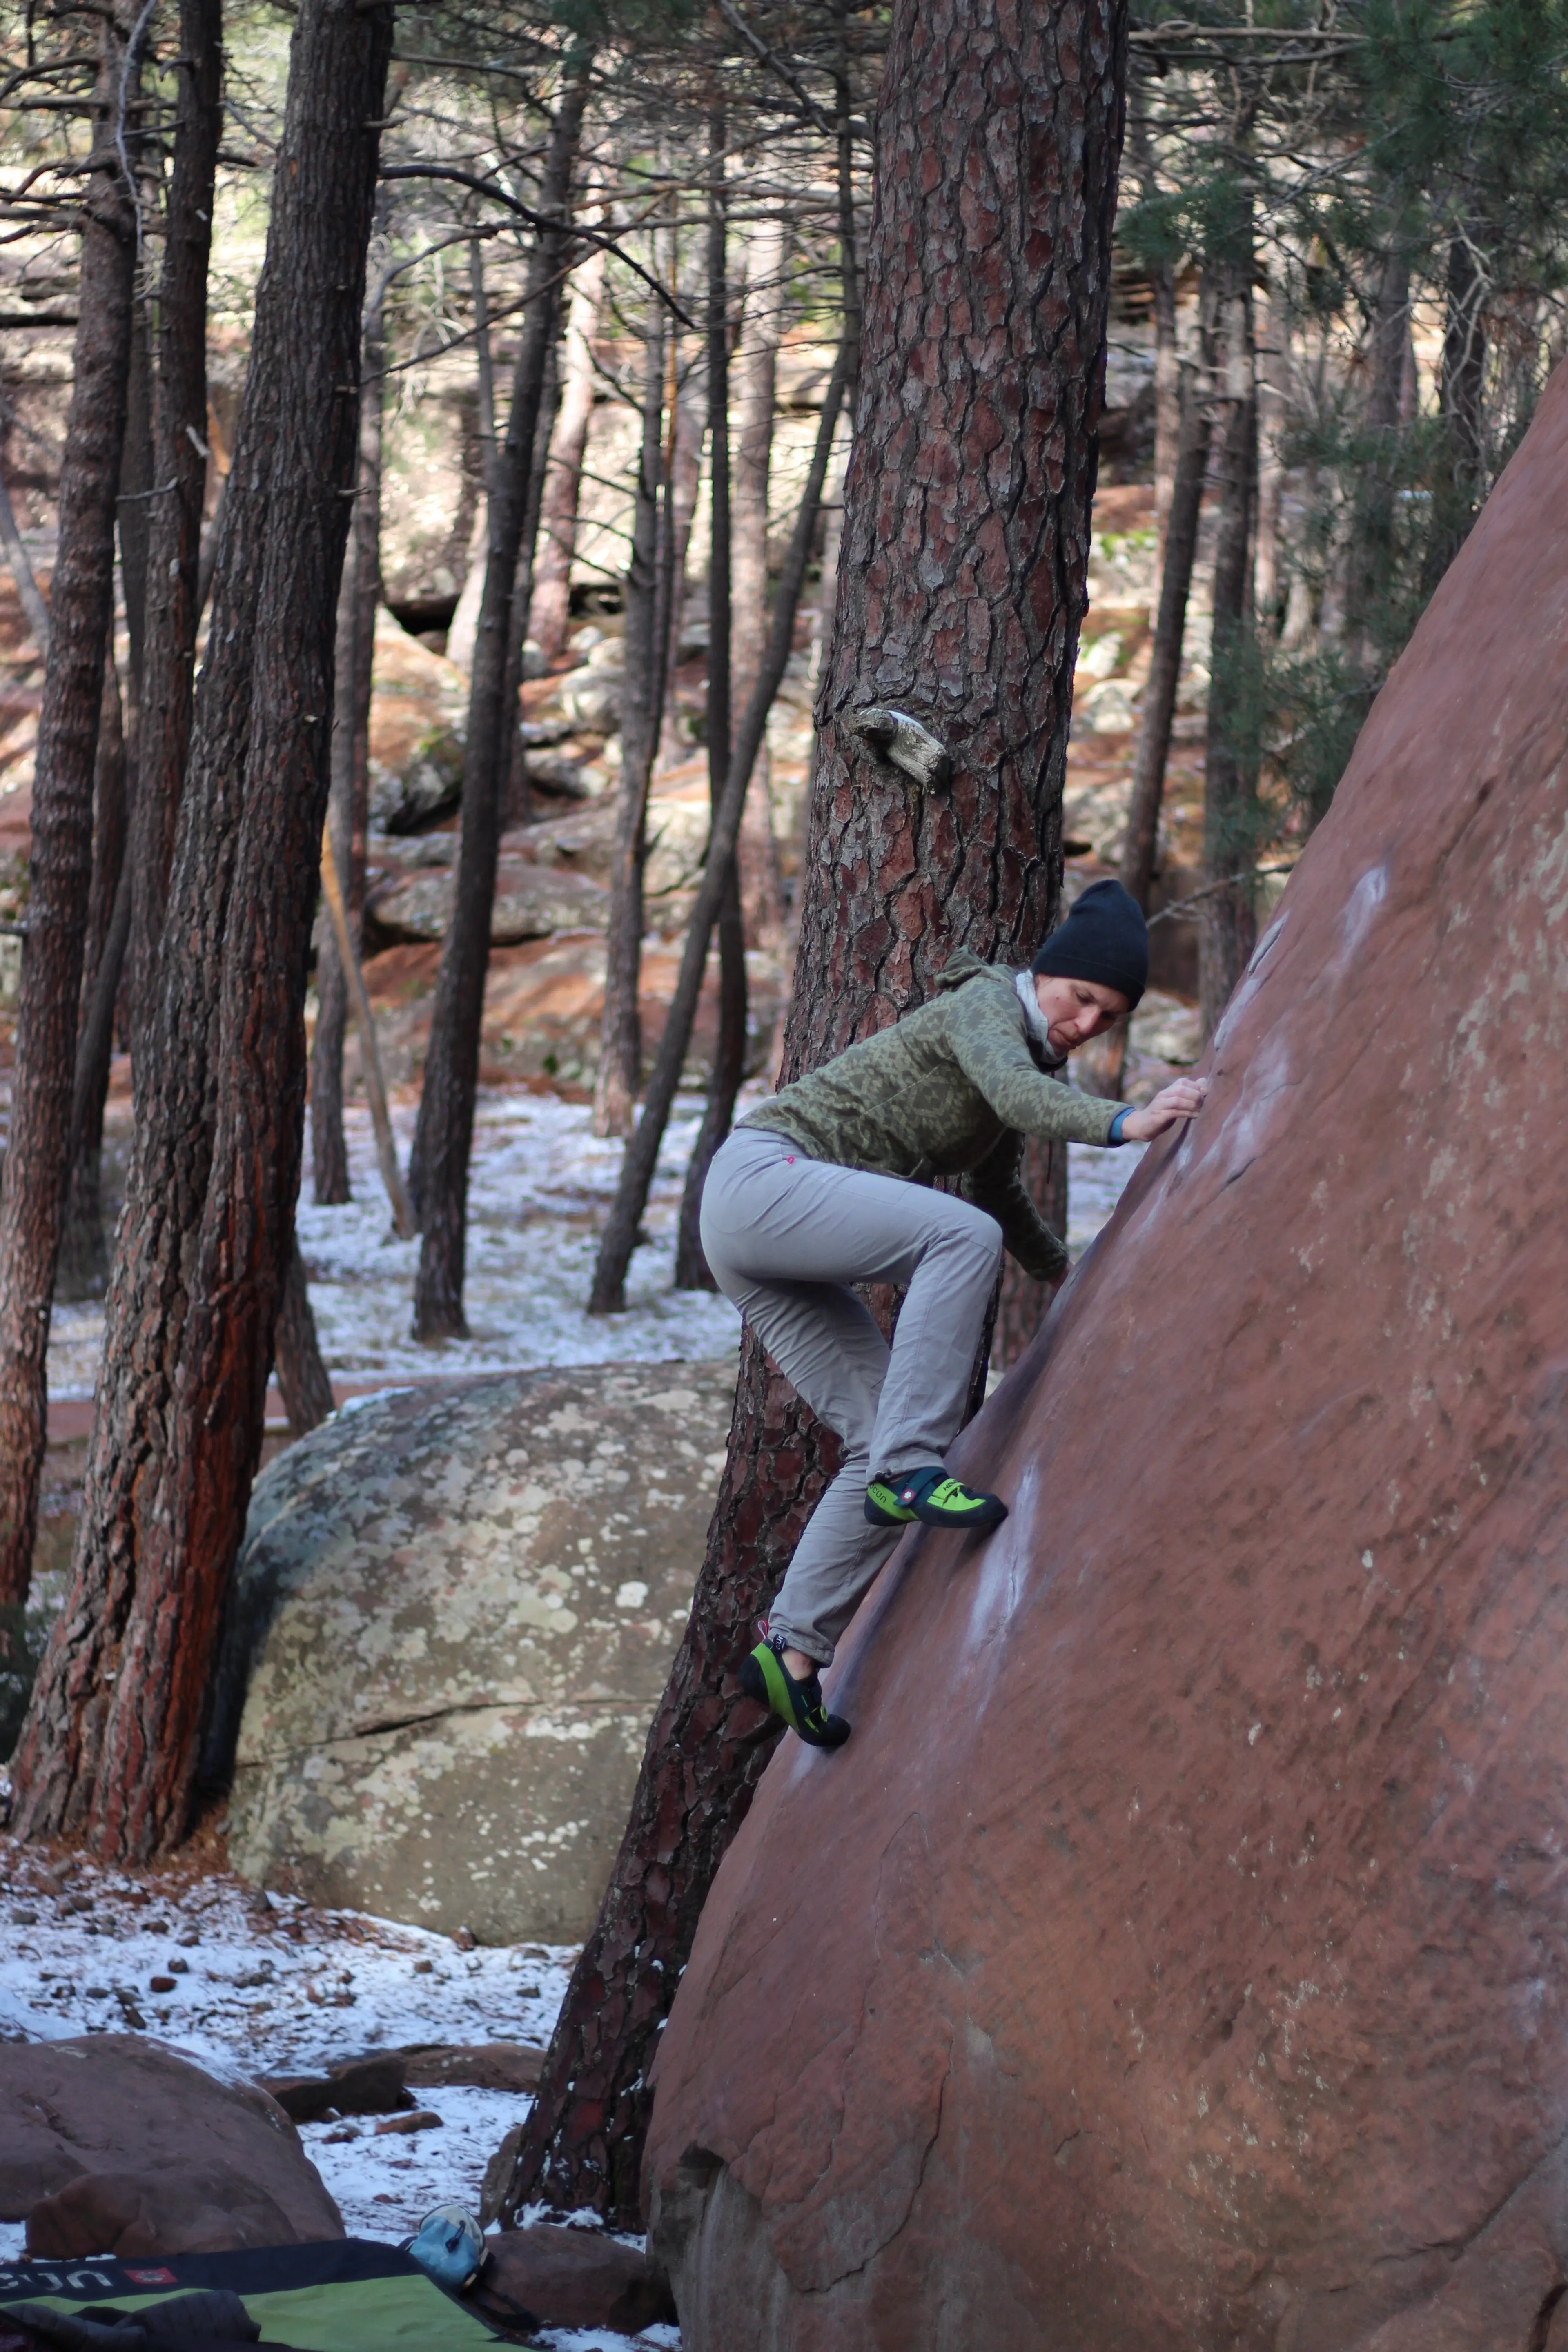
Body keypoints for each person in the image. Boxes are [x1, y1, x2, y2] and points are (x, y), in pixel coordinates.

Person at [699, 878, 1207, 1749]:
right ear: (1046, 974)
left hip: (756, 1240)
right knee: (956, 1243)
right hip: (759, 1181)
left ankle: (791, 1650)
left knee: (874, 1436)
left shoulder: (1022, 1054)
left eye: (1109, 1020)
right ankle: (911, 1470)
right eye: (1081, 998)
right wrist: (1130, 1122)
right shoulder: (985, 1006)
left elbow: (995, 1181)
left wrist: (1067, 1274)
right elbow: (1015, 1101)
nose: (1086, 1025)